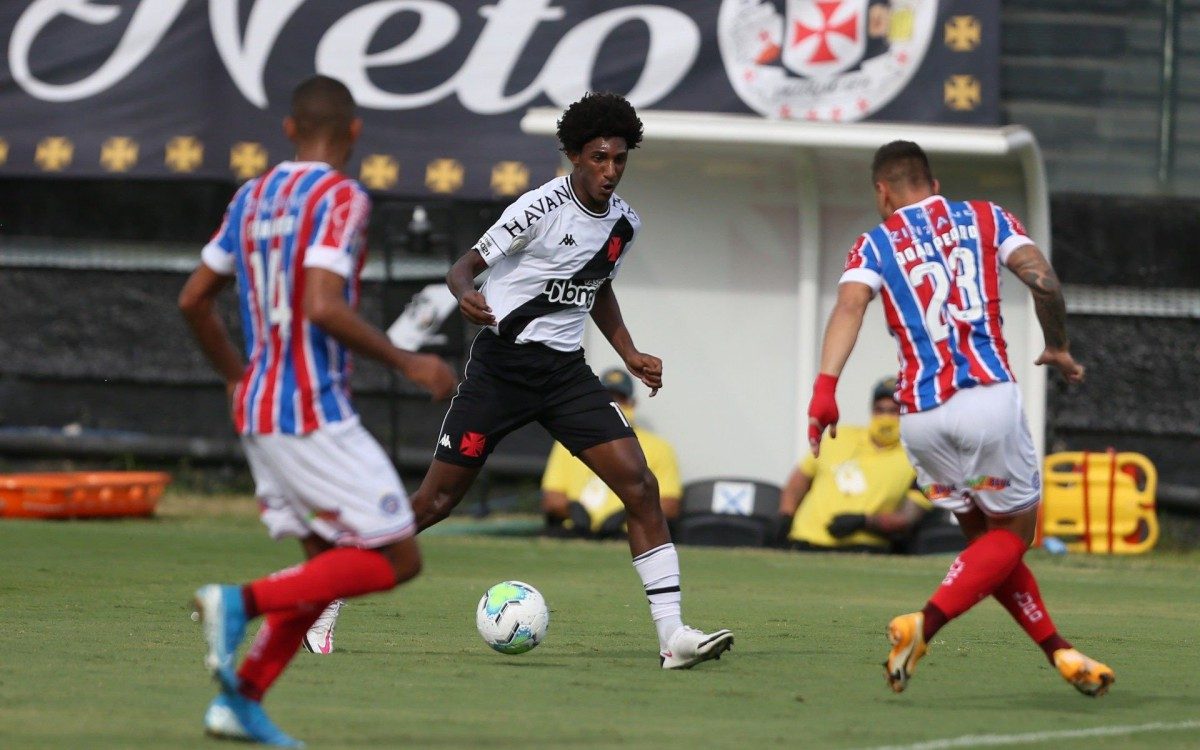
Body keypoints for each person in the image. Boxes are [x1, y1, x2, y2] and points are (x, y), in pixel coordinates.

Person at [407, 91, 733, 669]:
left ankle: (672, 638)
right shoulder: (537, 208)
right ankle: (329, 589)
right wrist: (465, 297)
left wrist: (628, 352)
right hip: (502, 369)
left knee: (640, 486)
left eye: (620, 159)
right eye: (599, 158)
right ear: (574, 156)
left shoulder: (624, 225)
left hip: (564, 376)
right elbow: (463, 268)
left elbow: (595, 284)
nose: (611, 170)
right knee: (436, 501)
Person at [179, 75, 456, 745]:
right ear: (355, 132)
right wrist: (408, 360)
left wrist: (237, 377)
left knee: (323, 565)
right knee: (398, 560)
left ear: (288, 130)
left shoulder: (250, 196)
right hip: (311, 411)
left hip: (259, 409)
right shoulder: (341, 196)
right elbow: (323, 305)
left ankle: (240, 702)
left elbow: (193, 300)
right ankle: (237, 602)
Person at [806, 140, 1114, 697]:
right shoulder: (985, 216)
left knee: (985, 551)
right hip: (985, 400)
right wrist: (1059, 345)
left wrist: (825, 390)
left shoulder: (874, 243)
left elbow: (849, 306)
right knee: (1016, 533)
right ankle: (924, 623)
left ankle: (1060, 652)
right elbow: (1043, 279)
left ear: (883, 190)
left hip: (920, 417)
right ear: (933, 182)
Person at [777, 377, 929, 552]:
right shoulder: (839, 436)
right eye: (879, 410)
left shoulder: (920, 457)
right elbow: (800, 478)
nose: (885, 417)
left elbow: (909, 517)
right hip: (804, 540)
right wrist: (786, 515)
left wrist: (865, 522)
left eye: (894, 411)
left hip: (862, 548)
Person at [541, 367, 682, 538]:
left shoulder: (659, 447)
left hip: (626, 534)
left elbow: (669, 505)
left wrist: (629, 514)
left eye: (620, 399)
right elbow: (551, 498)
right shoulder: (567, 441)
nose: (613, 404)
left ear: (632, 403)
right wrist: (573, 510)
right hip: (576, 530)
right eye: (607, 398)